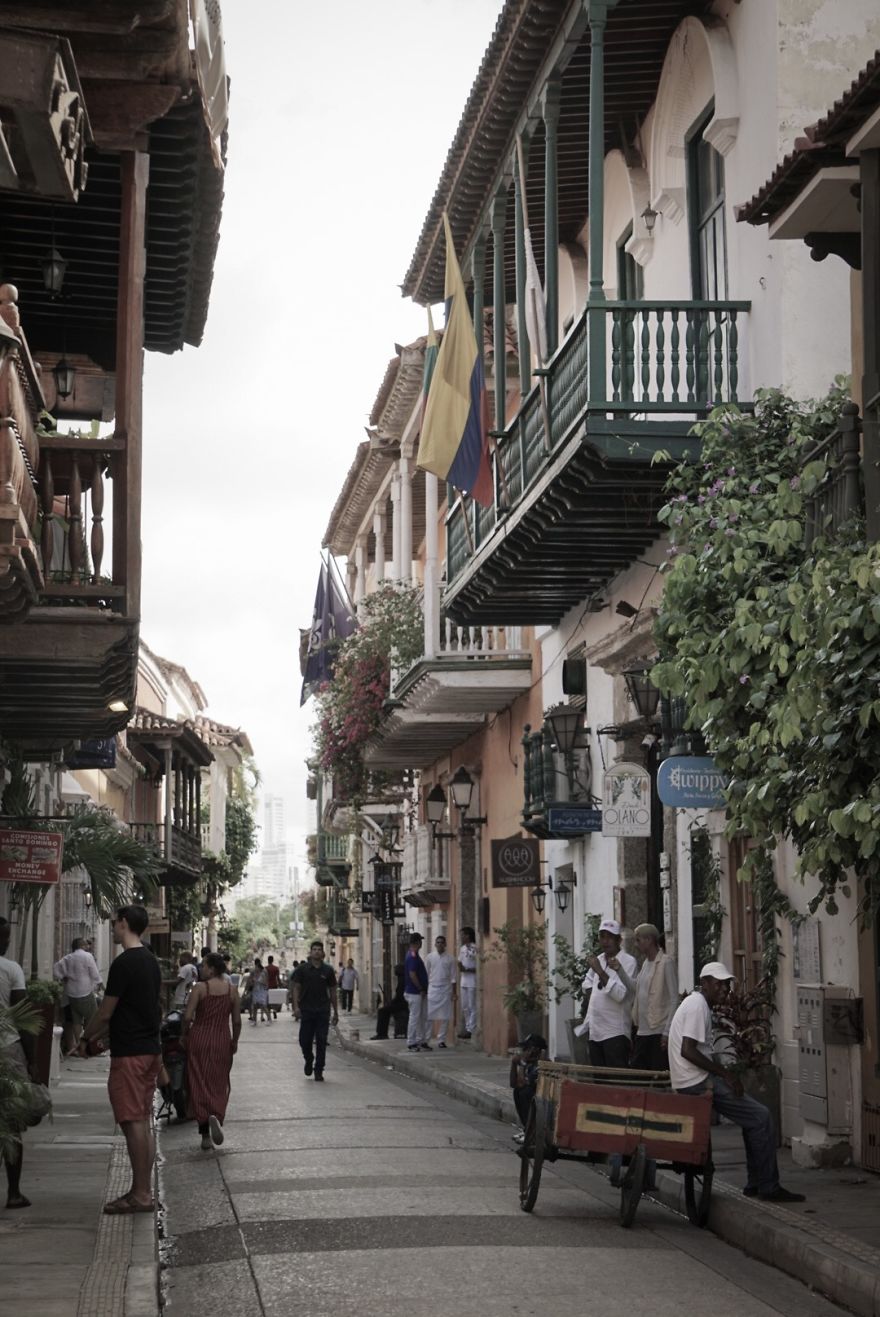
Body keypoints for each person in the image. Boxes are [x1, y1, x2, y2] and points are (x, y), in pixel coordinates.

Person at [667, 962, 805, 1204]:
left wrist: (723, 1073)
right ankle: (767, 1186)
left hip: (692, 1078)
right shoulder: (697, 1005)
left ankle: (756, 1182)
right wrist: (725, 1074)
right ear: (705, 983)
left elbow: (699, 1050)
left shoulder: (697, 1005)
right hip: (696, 1081)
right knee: (761, 1117)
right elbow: (688, 1050)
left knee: (754, 1120)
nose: (724, 989)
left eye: (727, 984)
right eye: (718, 983)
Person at [77, 905, 162, 1215]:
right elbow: (143, 1010)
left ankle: (140, 1195)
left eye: (114, 923)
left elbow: (106, 1011)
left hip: (131, 1055)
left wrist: (85, 1038)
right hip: (147, 1049)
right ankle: (142, 1190)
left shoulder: (124, 962)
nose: (112, 928)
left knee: (133, 1122)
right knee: (142, 1121)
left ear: (124, 924)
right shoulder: (150, 961)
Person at [183, 952, 241, 1151]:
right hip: (221, 1039)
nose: (201, 969)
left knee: (199, 1081)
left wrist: (184, 1035)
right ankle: (216, 1113)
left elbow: (187, 1016)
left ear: (213, 969)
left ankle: (205, 1135)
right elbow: (236, 1021)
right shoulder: (232, 990)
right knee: (218, 1081)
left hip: (198, 1038)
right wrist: (235, 1041)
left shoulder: (200, 988)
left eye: (204, 966)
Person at [0, 915, 36, 1209]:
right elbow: (22, 1016)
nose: (8, 940)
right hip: (8, 1049)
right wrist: (33, 1059)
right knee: (12, 1123)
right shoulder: (10, 969)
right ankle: (13, 1192)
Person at [582, 918, 637, 1068]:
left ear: (619, 940)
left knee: (616, 1082)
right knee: (599, 1083)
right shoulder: (599, 958)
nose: (605, 941)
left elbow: (620, 995)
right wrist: (593, 994)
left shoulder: (628, 962)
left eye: (610, 937)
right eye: (602, 936)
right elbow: (586, 982)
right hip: (595, 1032)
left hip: (615, 1033)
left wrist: (600, 972)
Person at [628, 923, 678, 1071]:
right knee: (639, 1073)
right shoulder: (645, 964)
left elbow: (674, 998)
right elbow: (636, 989)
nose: (636, 945)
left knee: (657, 1074)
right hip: (642, 1030)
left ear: (649, 940)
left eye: (638, 940)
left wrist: (667, 1032)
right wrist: (619, 971)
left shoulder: (666, 963)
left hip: (657, 1031)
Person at [292, 941, 338, 1080]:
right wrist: (296, 1007)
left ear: (323, 953)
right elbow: (296, 988)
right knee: (304, 1040)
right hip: (307, 1010)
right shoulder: (302, 969)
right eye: (314, 949)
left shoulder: (328, 970)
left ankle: (319, 1070)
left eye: (319, 949)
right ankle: (309, 1058)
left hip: (322, 1011)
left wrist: (335, 1012)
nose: (317, 951)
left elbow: (333, 991)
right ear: (310, 952)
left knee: (321, 1040)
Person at [53, 937, 102, 1047]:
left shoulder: (68, 958)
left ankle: (80, 1045)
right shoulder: (87, 956)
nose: (88, 946)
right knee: (93, 1018)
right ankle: (91, 1044)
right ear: (81, 946)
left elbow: (56, 969)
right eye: (86, 945)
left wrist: (63, 977)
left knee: (77, 1020)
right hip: (85, 992)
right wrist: (99, 982)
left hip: (72, 993)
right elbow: (94, 973)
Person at [509, 1034, 545, 1133]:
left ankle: (531, 1130)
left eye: (526, 1049)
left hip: (541, 1099)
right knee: (517, 1091)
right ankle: (527, 1128)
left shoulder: (540, 1065)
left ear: (535, 1050)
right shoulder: (530, 1064)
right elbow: (513, 1084)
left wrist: (523, 1063)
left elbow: (522, 1083)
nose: (523, 1051)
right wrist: (513, 1064)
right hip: (533, 1095)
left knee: (524, 1092)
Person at [425, 935, 456, 1048]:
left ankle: (441, 1040)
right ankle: (426, 1039)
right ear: (435, 944)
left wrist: (453, 992)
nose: (440, 944)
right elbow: (426, 974)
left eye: (442, 942)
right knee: (429, 1016)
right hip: (433, 989)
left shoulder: (450, 958)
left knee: (445, 1016)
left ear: (445, 944)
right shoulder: (430, 957)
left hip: (445, 989)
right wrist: (425, 989)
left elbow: (453, 977)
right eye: (438, 942)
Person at [403, 932, 429, 1052]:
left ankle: (421, 1040)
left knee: (421, 1017)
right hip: (415, 992)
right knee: (415, 1017)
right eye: (420, 941)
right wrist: (420, 988)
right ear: (418, 942)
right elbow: (412, 974)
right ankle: (411, 1042)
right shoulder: (413, 956)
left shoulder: (413, 954)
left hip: (417, 992)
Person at [371, 962, 409, 1040]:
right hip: (401, 1003)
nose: (395, 971)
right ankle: (382, 1033)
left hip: (402, 1004)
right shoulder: (402, 979)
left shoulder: (402, 980)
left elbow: (399, 997)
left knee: (382, 1011)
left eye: (396, 969)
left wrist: (392, 1003)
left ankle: (381, 1033)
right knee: (385, 1010)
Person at [457, 926, 477, 1039]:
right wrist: (460, 966)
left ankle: (471, 1029)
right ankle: (467, 1026)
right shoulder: (462, 948)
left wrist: (468, 969)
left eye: (463, 935)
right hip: (463, 980)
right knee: (464, 1006)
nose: (461, 937)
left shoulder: (475, 948)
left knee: (472, 1005)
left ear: (468, 935)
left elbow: (478, 965)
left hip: (472, 980)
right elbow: (460, 960)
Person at [245, 958, 270, 1025]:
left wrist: (247, 990)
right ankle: (255, 1020)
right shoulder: (263, 970)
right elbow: (266, 980)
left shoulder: (261, 970)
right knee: (256, 1006)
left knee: (262, 1005)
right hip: (259, 989)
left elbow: (250, 981)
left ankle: (267, 1019)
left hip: (259, 989)